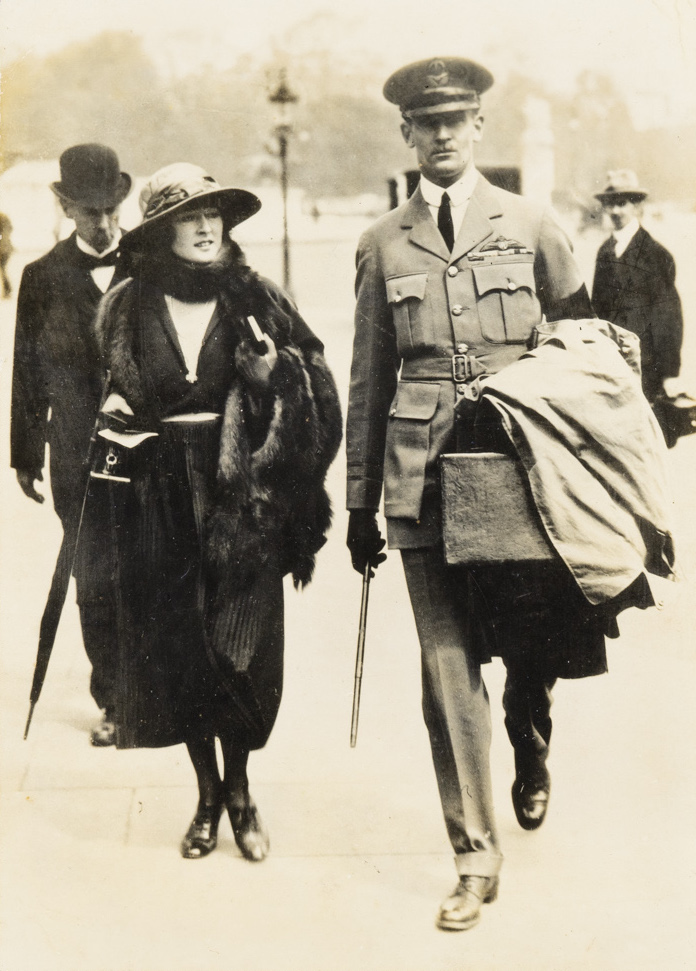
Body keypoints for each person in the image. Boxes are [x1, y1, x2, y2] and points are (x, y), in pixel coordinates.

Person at [344, 57, 609, 932]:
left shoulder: (531, 224)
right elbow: (368, 379)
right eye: (427, 123)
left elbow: (583, 353)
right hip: (420, 479)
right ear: (407, 135)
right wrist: (358, 501)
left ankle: (530, 727)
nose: (443, 134)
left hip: (517, 469)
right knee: (447, 669)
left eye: (456, 119)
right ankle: (474, 855)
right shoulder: (382, 242)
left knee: (529, 645)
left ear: (479, 126)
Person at [93, 163, 342, 862]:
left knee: (245, 652)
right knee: (181, 649)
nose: (205, 228)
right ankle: (207, 795)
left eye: (213, 215)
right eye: (188, 217)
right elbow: (110, 389)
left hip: (242, 500)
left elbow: (318, 390)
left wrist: (272, 378)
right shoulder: (128, 303)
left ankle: (240, 789)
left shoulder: (256, 296)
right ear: (161, 231)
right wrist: (116, 412)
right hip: (159, 495)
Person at [11, 144, 132, 745]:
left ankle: (154, 691)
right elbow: (27, 371)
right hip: (76, 450)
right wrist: (25, 454)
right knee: (95, 573)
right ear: (64, 207)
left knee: (150, 567)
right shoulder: (41, 277)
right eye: (89, 212)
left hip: (148, 449)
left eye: (111, 210)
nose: (103, 223)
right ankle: (113, 698)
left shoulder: (152, 264)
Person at [591, 170, 684, 404]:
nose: (615, 211)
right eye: (610, 204)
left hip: (647, 367)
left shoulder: (656, 255)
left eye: (622, 204)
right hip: (611, 365)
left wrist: (669, 374)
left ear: (636, 206)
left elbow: (668, 317)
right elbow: (597, 310)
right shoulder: (604, 252)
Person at [0, 211, 14, 298]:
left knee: (3, 269)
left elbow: (3, 235)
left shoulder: (2, 218)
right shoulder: (4, 217)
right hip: (6, 248)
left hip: (3, 250)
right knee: (3, 269)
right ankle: (7, 289)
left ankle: (7, 289)